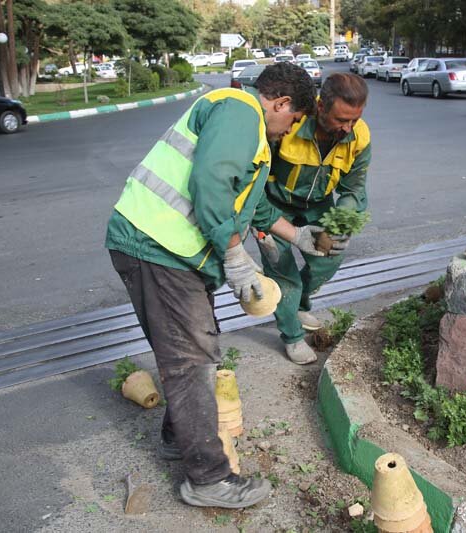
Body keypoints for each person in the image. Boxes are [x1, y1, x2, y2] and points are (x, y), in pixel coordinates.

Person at [104, 62, 321, 509]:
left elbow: (253, 209)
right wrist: (235, 256)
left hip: (171, 255)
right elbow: (211, 182)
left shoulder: (252, 138)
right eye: (294, 119)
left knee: (193, 347)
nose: (291, 129)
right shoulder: (241, 110)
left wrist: (298, 236)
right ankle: (208, 479)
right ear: (280, 103)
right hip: (157, 247)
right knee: (191, 360)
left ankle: (175, 438)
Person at [257, 72, 371, 365]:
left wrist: (341, 222)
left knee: (328, 258)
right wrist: (259, 224)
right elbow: (254, 179)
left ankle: (300, 304)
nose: (347, 128)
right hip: (275, 204)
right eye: (340, 120)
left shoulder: (359, 137)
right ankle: (293, 337)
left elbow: (354, 186)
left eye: (354, 120)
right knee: (283, 273)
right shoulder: (290, 125)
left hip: (319, 203)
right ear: (321, 107)